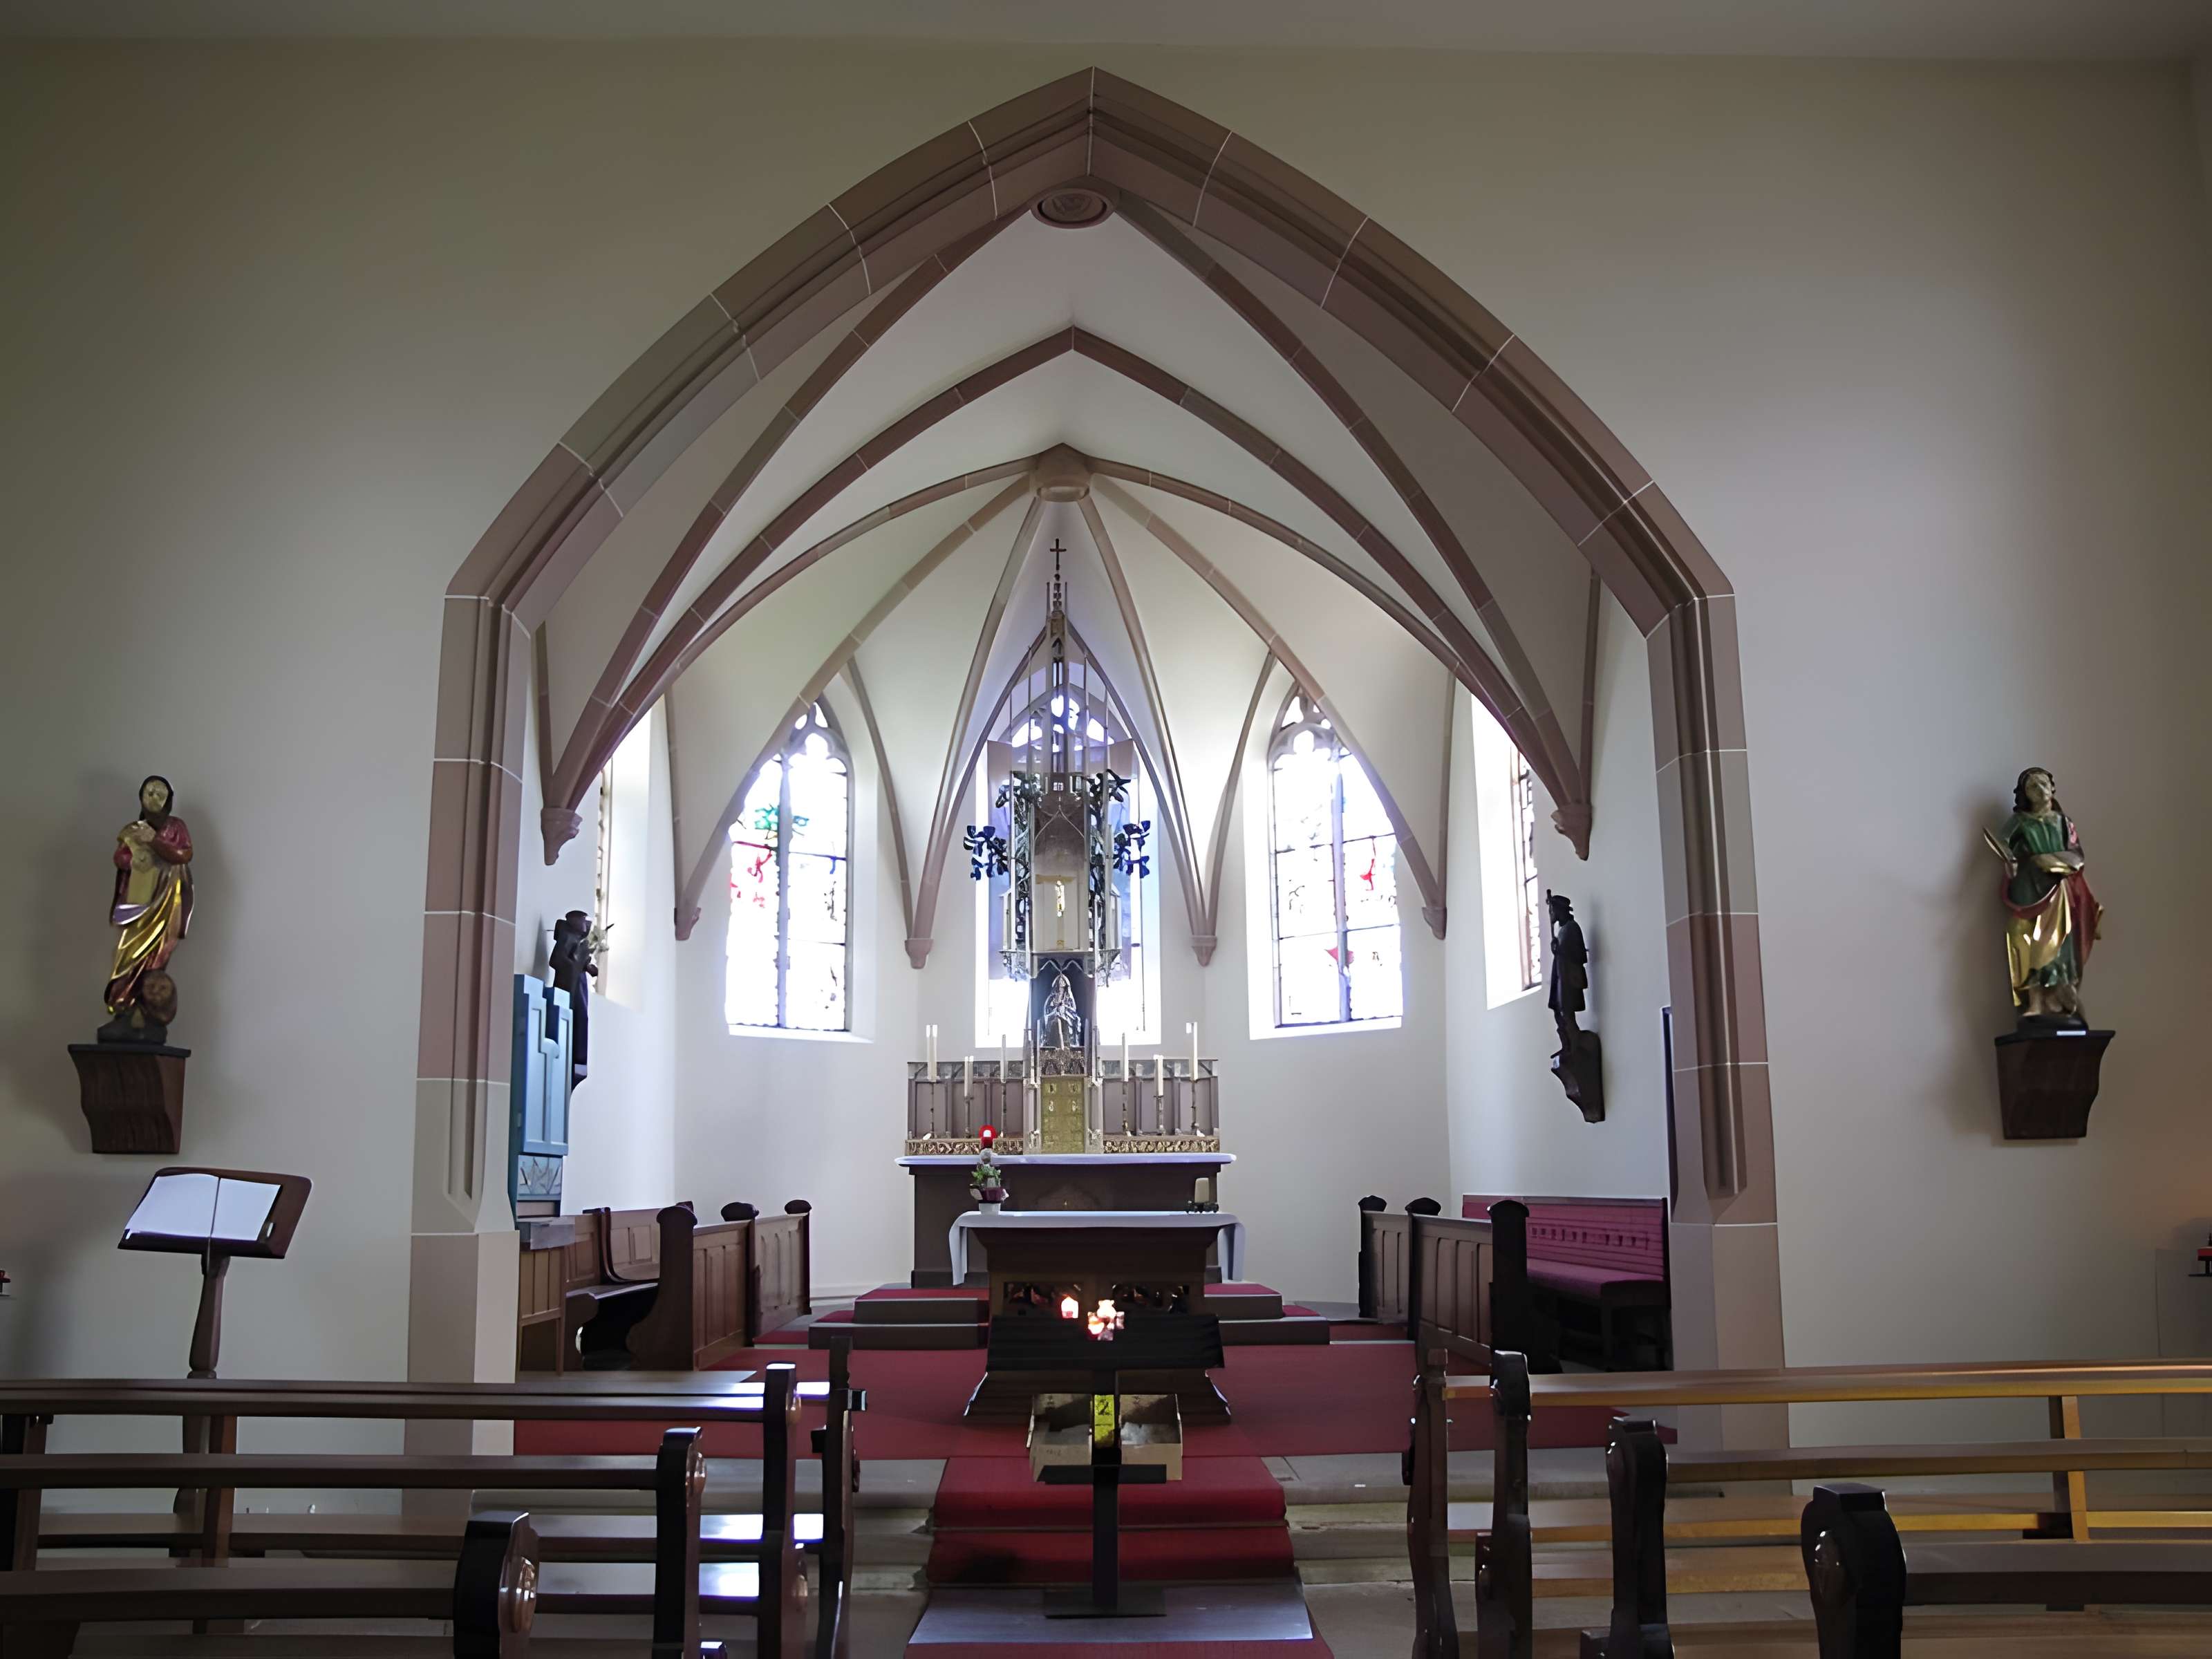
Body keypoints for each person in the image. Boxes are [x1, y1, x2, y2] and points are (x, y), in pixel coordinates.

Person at [1992, 767, 2101, 1023]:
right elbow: (2002, 843)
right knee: (2030, 941)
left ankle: (2058, 1000)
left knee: (2059, 945)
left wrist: (2053, 862)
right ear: (2025, 795)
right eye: (2032, 786)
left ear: (2052, 788)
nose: (2039, 790)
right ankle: (2036, 1000)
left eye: (2043, 784)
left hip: (2057, 890)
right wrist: (2011, 860)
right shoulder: (2020, 821)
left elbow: (2077, 855)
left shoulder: (2063, 822)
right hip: (2029, 888)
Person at [103, 775, 194, 1040]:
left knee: (156, 957)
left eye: (160, 794)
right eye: (149, 793)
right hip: (140, 899)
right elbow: (120, 857)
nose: (153, 799)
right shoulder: (133, 829)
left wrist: (154, 841)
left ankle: (148, 1010)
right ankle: (123, 1006)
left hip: (167, 898)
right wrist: (133, 860)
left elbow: (184, 854)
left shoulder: (175, 827)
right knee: (129, 953)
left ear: (169, 801)